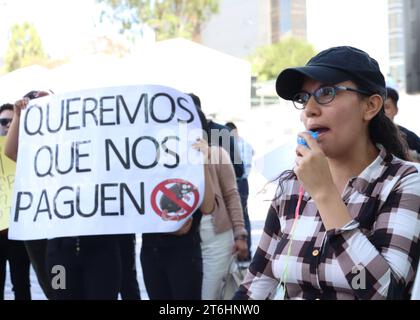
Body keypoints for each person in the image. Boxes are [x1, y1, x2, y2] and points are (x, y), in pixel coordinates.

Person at [234, 46, 420, 300]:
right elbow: (255, 285)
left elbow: (383, 294)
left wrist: (325, 194)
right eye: (303, 97)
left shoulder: (401, 182)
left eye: (327, 93)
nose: (308, 109)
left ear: (371, 106)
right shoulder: (292, 186)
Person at [5, 91, 122, 300]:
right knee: (62, 296)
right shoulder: (45, 161)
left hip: (100, 248)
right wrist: (18, 115)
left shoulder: (99, 153)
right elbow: (11, 151)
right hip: (60, 254)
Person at [190, 96, 248, 300]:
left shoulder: (217, 154)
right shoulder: (174, 159)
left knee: (209, 295)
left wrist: (240, 235)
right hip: (188, 242)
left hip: (217, 238)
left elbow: (232, 195)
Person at [4, 91, 55, 300]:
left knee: (62, 285)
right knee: (54, 288)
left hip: (62, 237)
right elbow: (10, 151)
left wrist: (55, 98)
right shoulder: (32, 156)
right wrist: (18, 114)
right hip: (39, 236)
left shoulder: (65, 145)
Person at [0, 103, 31, 300]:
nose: (8, 125)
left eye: (13, 121)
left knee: (21, 283)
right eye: (4, 121)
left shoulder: (28, 152)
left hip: (19, 230)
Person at [225, 121, 254, 261]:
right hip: (242, 183)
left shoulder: (238, 145)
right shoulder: (246, 144)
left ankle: (244, 252)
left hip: (239, 182)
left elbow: (242, 169)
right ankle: (245, 252)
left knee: (240, 218)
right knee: (243, 217)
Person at [384, 87, 420, 162]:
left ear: (396, 110)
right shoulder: (364, 137)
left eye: (386, 107)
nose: (382, 112)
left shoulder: (410, 138)